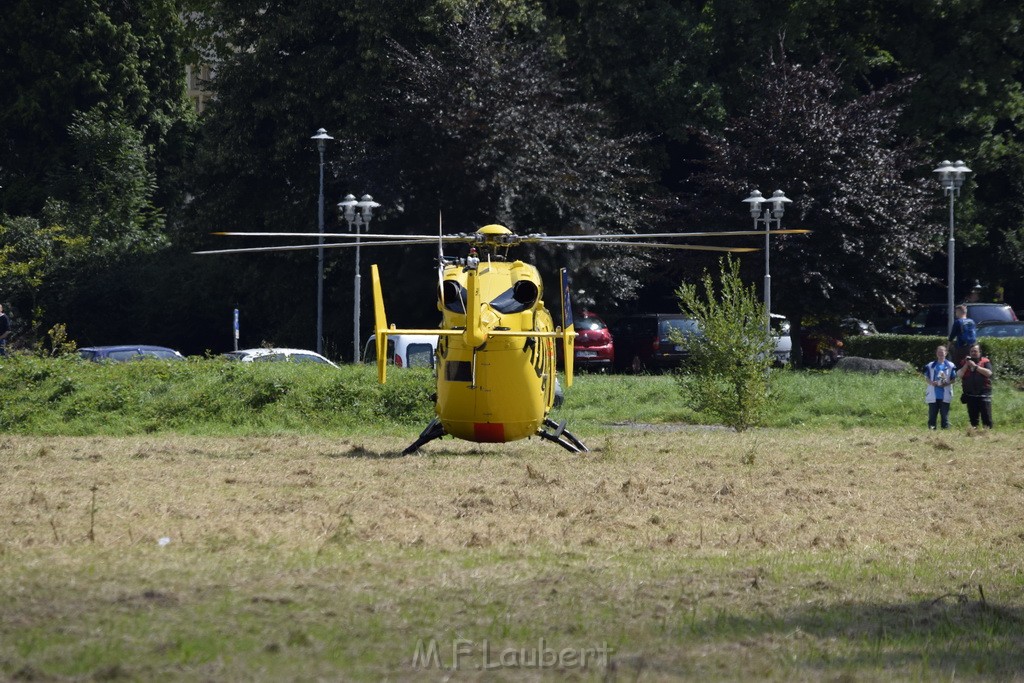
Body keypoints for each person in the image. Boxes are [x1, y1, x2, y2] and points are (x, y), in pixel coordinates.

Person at [958, 343, 993, 429]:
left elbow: (989, 373)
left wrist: (975, 366)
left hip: (984, 394)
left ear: (980, 352)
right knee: (973, 419)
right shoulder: (964, 362)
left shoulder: (985, 362)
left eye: (975, 351)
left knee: (986, 417)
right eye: (971, 351)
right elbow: (959, 374)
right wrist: (967, 364)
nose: (973, 353)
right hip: (970, 395)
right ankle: (974, 435)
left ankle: (988, 435)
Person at [922, 344, 957, 429]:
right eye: (939, 352)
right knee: (932, 417)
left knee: (945, 417)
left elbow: (954, 379)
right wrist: (931, 382)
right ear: (936, 353)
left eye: (942, 352)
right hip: (933, 394)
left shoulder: (951, 365)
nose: (940, 354)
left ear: (946, 353)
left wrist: (947, 383)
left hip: (945, 394)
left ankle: (945, 434)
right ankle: (932, 433)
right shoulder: (930, 365)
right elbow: (926, 378)